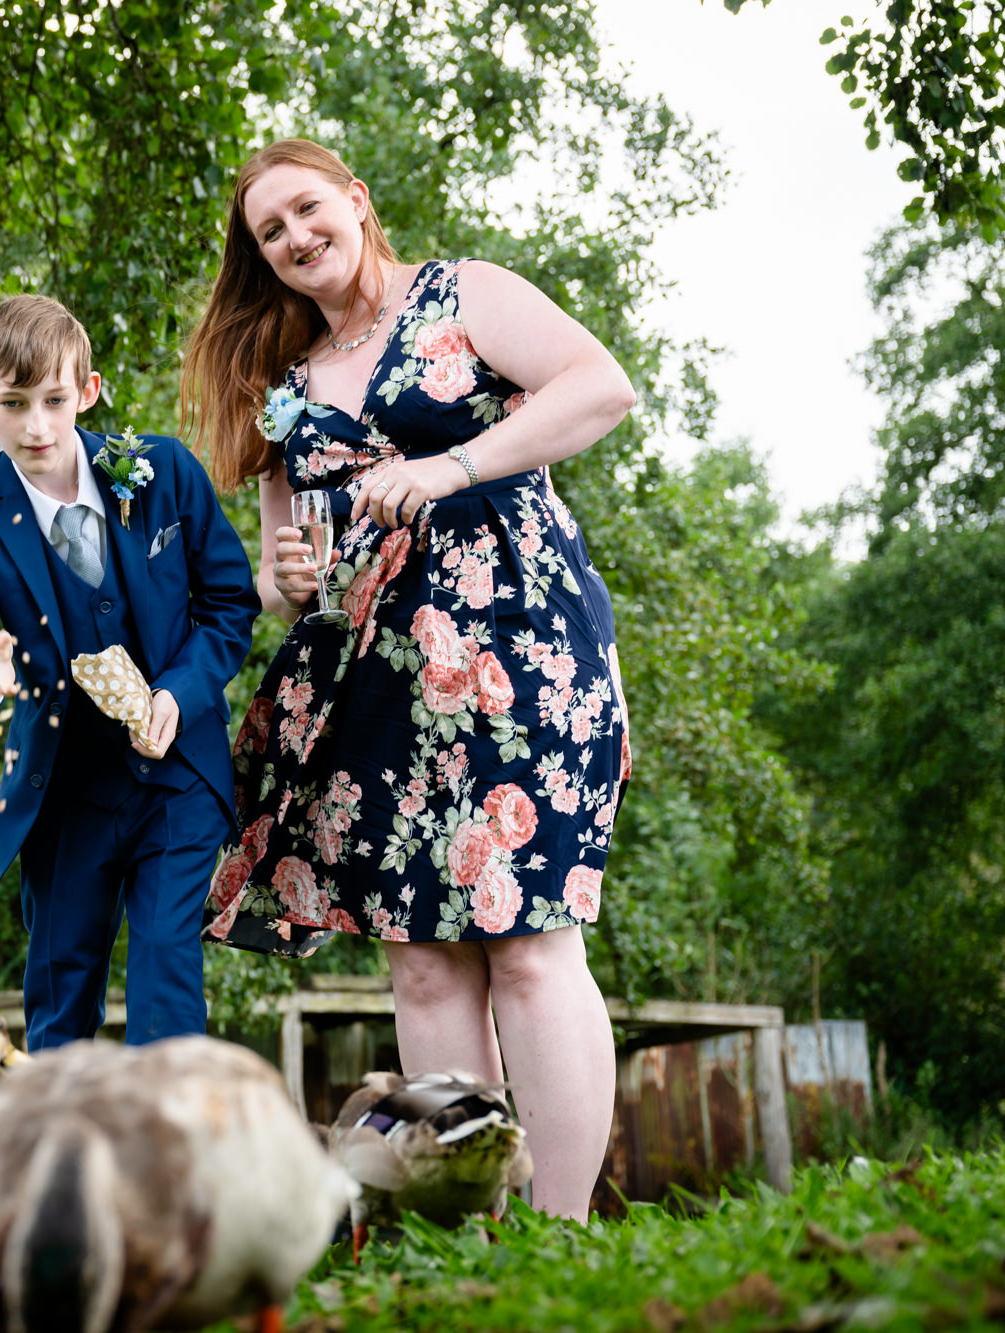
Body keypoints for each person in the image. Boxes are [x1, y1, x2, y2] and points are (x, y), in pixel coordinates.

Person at [179, 139, 634, 1221]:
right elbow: (285, 562)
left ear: (355, 199)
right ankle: (467, 1228)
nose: (293, 239)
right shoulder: (282, 388)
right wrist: (283, 575)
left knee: (526, 942)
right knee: (422, 962)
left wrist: (446, 468)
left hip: (517, 648)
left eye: (304, 211)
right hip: (366, 678)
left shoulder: (462, 294)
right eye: (268, 233)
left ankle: (565, 1230)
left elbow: (599, 387)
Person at [0, 296, 259, 1051]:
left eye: (54, 401)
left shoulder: (162, 471)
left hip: (176, 775)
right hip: (64, 791)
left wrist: (180, 690)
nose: (37, 427)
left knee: (166, 975)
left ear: (90, 390)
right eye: (14, 404)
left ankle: (168, 1162)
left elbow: (230, 602)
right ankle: (59, 1165)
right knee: (60, 997)